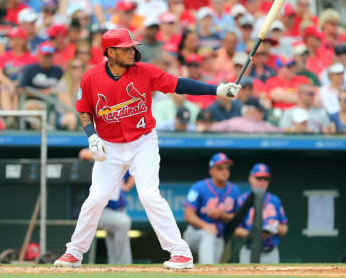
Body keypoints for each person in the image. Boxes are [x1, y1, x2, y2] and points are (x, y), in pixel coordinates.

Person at [53, 28, 241, 269]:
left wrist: (217, 89)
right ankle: (74, 252)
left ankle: (180, 253)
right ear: (110, 52)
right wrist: (91, 137)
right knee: (96, 198)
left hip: (142, 141)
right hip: (109, 145)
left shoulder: (145, 72)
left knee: (149, 195)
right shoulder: (91, 77)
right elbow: (83, 109)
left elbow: (179, 84)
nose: (133, 51)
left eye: (132, 47)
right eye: (126, 48)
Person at [183, 153, 240, 264]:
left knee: (213, 265)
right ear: (211, 171)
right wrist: (205, 225)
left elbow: (236, 218)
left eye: (227, 167)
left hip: (218, 237)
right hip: (194, 234)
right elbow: (188, 215)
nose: (224, 171)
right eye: (220, 168)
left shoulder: (234, 190)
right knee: (209, 234)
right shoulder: (199, 187)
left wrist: (221, 215)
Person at [235, 163, 288, 263]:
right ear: (250, 178)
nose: (262, 182)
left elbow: (285, 228)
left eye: (265, 178)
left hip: (271, 251)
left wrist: (277, 229)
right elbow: (235, 230)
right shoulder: (242, 200)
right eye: (259, 178)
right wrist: (254, 235)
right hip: (248, 251)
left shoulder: (275, 200)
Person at [0, 27, 37, 112]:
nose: (9, 40)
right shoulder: (4, 56)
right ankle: (10, 117)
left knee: (16, 92)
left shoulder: (31, 58)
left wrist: (16, 84)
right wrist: (10, 84)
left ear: (21, 41)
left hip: (23, 88)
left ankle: (13, 118)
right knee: (4, 89)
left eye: (12, 38)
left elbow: (31, 77)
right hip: (7, 85)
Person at [97, 175, 134, 264]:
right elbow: (84, 159)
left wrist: (126, 187)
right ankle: (124, 266)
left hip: (120, 210)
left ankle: (113, 266)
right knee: (123, 222)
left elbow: (134, 173)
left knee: (112, 239)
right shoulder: (101, 164)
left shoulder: (122, 163)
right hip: (101, 210)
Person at [18, 42, 64, 112]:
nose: (47, 59)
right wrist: (41, 93)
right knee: (31, 106)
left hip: (53, 102)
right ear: (39, 56)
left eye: (49, 56)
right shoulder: (30, 69)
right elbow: (21, 89)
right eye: (45, 56)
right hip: (34, 101)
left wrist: (51, 92)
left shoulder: (58, 71)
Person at [209, 97, 282, 133]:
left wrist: (286, 130)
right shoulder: (237, 121)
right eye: (258, 111)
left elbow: (276, 130)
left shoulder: (263, 124)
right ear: (249, 111)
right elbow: (214, 127)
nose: (262, 114)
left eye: (261, 111)